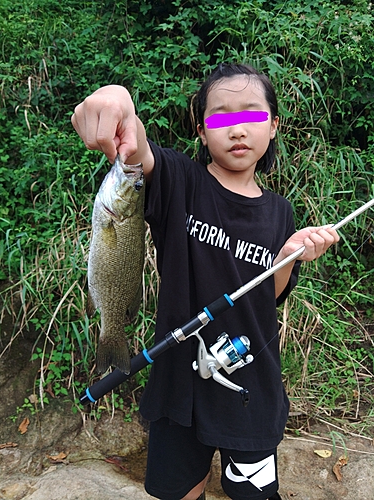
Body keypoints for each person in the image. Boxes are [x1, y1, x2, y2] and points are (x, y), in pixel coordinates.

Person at [72, 63, 339, 500]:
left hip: (251, 388)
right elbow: (136, 149)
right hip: (179, 384)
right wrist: (118, 101)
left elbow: (265, 297)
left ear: (273, 127)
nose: (237, 129)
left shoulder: (280, 212)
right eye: (220, 117)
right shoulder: (181, 181)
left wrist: (288, 256)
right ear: (201, 130)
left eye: (251, 115)